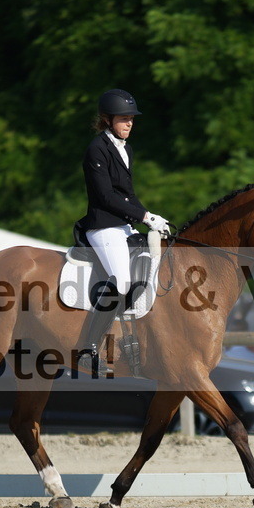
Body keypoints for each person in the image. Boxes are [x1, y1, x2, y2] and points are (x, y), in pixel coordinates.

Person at [74, 88, 170, 374]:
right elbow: (105, 197)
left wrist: (152, 219)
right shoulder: (96, 149)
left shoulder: (125, 148)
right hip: (102, 227)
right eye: (124, 119)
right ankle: (88, 347)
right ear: (107, 119)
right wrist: (145, 216)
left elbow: (127, 195)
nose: (129, 124)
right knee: (123, 282)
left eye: (131, 119)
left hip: (124, 226)